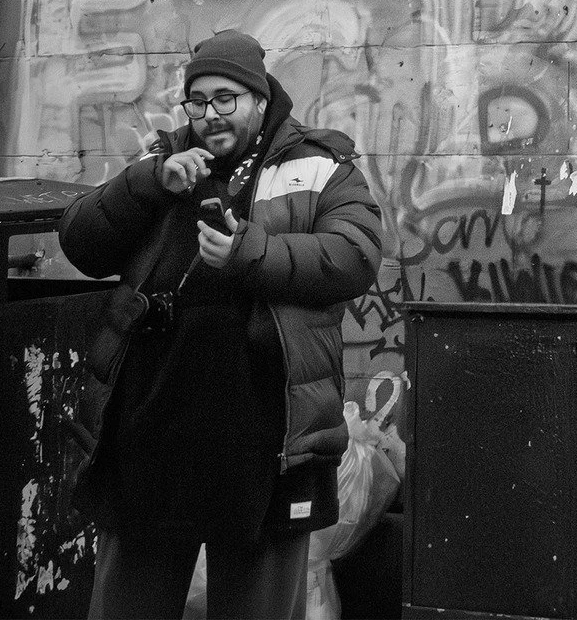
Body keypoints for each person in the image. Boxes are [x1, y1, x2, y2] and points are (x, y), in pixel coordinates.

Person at [60, 30, 383, 620]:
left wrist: (249, 254)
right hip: (150, 435)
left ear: (261, 101)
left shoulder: (319, 164)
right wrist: (149, 183)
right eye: (197, 100)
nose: (209, 115)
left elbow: (355, 254)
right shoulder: (161, 162)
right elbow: (80, 241)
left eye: (226, 99)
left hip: (266, 444)